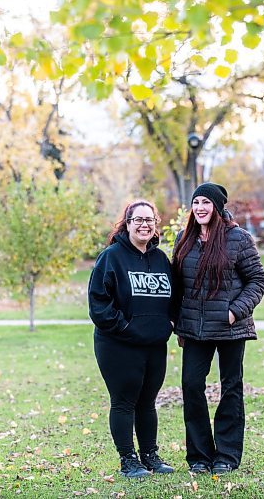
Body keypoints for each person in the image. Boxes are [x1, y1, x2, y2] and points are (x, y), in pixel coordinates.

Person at [172, 183, 264, 475]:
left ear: (217, 207)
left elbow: (257, 281)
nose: (200, 207)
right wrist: (175, 319)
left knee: (231, 388)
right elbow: (177, 283)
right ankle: (199, 456)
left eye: (206, 202)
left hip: (229, 328)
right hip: (194, 329)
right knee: (191, 386)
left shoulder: (238, 239)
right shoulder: (183, 238)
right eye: (196, 202)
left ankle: (226, 454)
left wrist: (233, 312)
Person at [88, 200, 174, 478]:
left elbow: (174, 298)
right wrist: (125, 328)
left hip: (154, 345)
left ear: (155, 224)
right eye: (137, 220)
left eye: (149, 220)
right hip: (118, 344)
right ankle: (128, 460)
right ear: (127, 224)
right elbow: (99, 304)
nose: (144, 225)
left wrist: (168, 324)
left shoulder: (161, 260)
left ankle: (150, 456)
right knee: (124, 401)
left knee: (148, 401)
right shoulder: (111, 257)